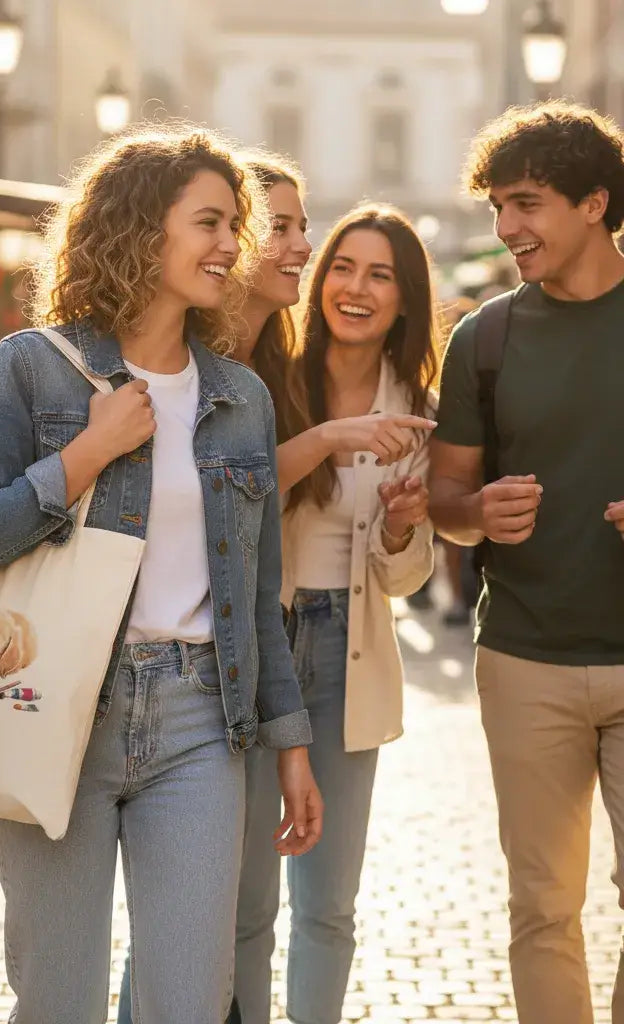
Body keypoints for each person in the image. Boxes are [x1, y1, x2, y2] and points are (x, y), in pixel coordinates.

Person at [0, 127, 322, 1024]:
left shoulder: (241, 397)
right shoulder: (30, 368)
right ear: (141, 228)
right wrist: (88, 452)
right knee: (60, 1001)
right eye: (209, 223)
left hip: (200, 720)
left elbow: (254, 595)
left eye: (235, 225)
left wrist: (291, 745)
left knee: (190, 1002)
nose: (232, 245)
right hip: (54, 710)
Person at [429, 101, 624, 1024]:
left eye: (527, 203)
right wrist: (476, 513)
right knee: (543, 909)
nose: (507, 227)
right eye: (498, 206)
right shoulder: (486, 337)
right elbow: (444, 498)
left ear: (595, 203)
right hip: (525, 659)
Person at [256, 201, 438, 1024]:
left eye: (380, 276)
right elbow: (235, 498)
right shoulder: (270, 376)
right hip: (260, 639)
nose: (355, 289)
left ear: (404, 300)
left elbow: (404, 579)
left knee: (327, 903)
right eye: (342, 267)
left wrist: (401, 527)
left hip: (348, 653)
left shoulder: (419, 407)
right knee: (240, 895)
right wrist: (330, 435)